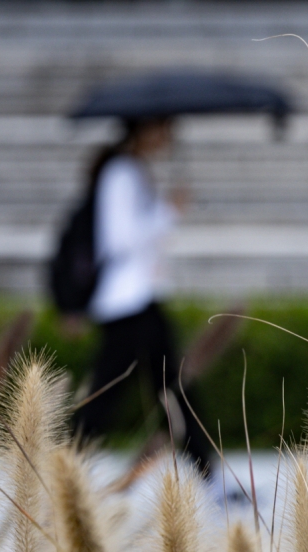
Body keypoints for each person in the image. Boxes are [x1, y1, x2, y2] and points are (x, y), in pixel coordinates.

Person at [68, 116, 210, 472]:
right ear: (143, 129)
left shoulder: (130, 170)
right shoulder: (121, 173)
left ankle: (207, 469)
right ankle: (65, 463)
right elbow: (120, 239)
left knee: (168, 388)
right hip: (127, 302)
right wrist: (168, 212)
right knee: (117, 391)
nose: (169, 136)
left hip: (138, 298)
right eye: (163, 128)